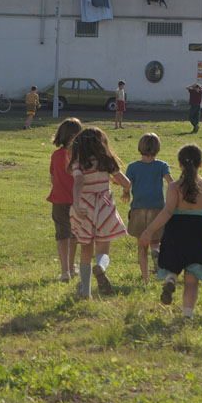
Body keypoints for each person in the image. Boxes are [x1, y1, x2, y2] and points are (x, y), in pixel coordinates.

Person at [139, 145, 202, 318]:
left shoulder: (175, 187)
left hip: (176, 232)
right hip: (198, 234)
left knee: (173, 263)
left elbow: (167, 212)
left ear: (180, 165)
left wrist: (149, 231)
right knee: (191, 279)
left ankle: (171, 280)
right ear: (201, 164)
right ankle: (187, 315)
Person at [69, 127, 131, 299]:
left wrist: (75, 202)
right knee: (103, 248)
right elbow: (126, 182)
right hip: (105, 207)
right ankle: (101, 268)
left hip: (85, 208)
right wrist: (126, 191)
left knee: (85, 251)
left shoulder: (79, 164)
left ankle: (86, 291)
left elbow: (78, 182)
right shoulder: (106, 163)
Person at [125, 133, 174, 284]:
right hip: (157, 208)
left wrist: (125, 193)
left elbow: (127, 184)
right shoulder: (162, 165)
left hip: (138, 208)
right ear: (157, 148)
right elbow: (171, 182)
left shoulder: (132, 167)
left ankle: (146, 279)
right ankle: (156, 251)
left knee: (141, 245)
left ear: (140, 147)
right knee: (155, 238)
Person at [48, 118, 83, 282]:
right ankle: (71, 267)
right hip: (78, 200)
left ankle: (64, 272)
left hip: (59, 199)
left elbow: (52, 176)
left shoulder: (56, 155)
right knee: (74, 234)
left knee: (62, 235)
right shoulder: (80, 156)